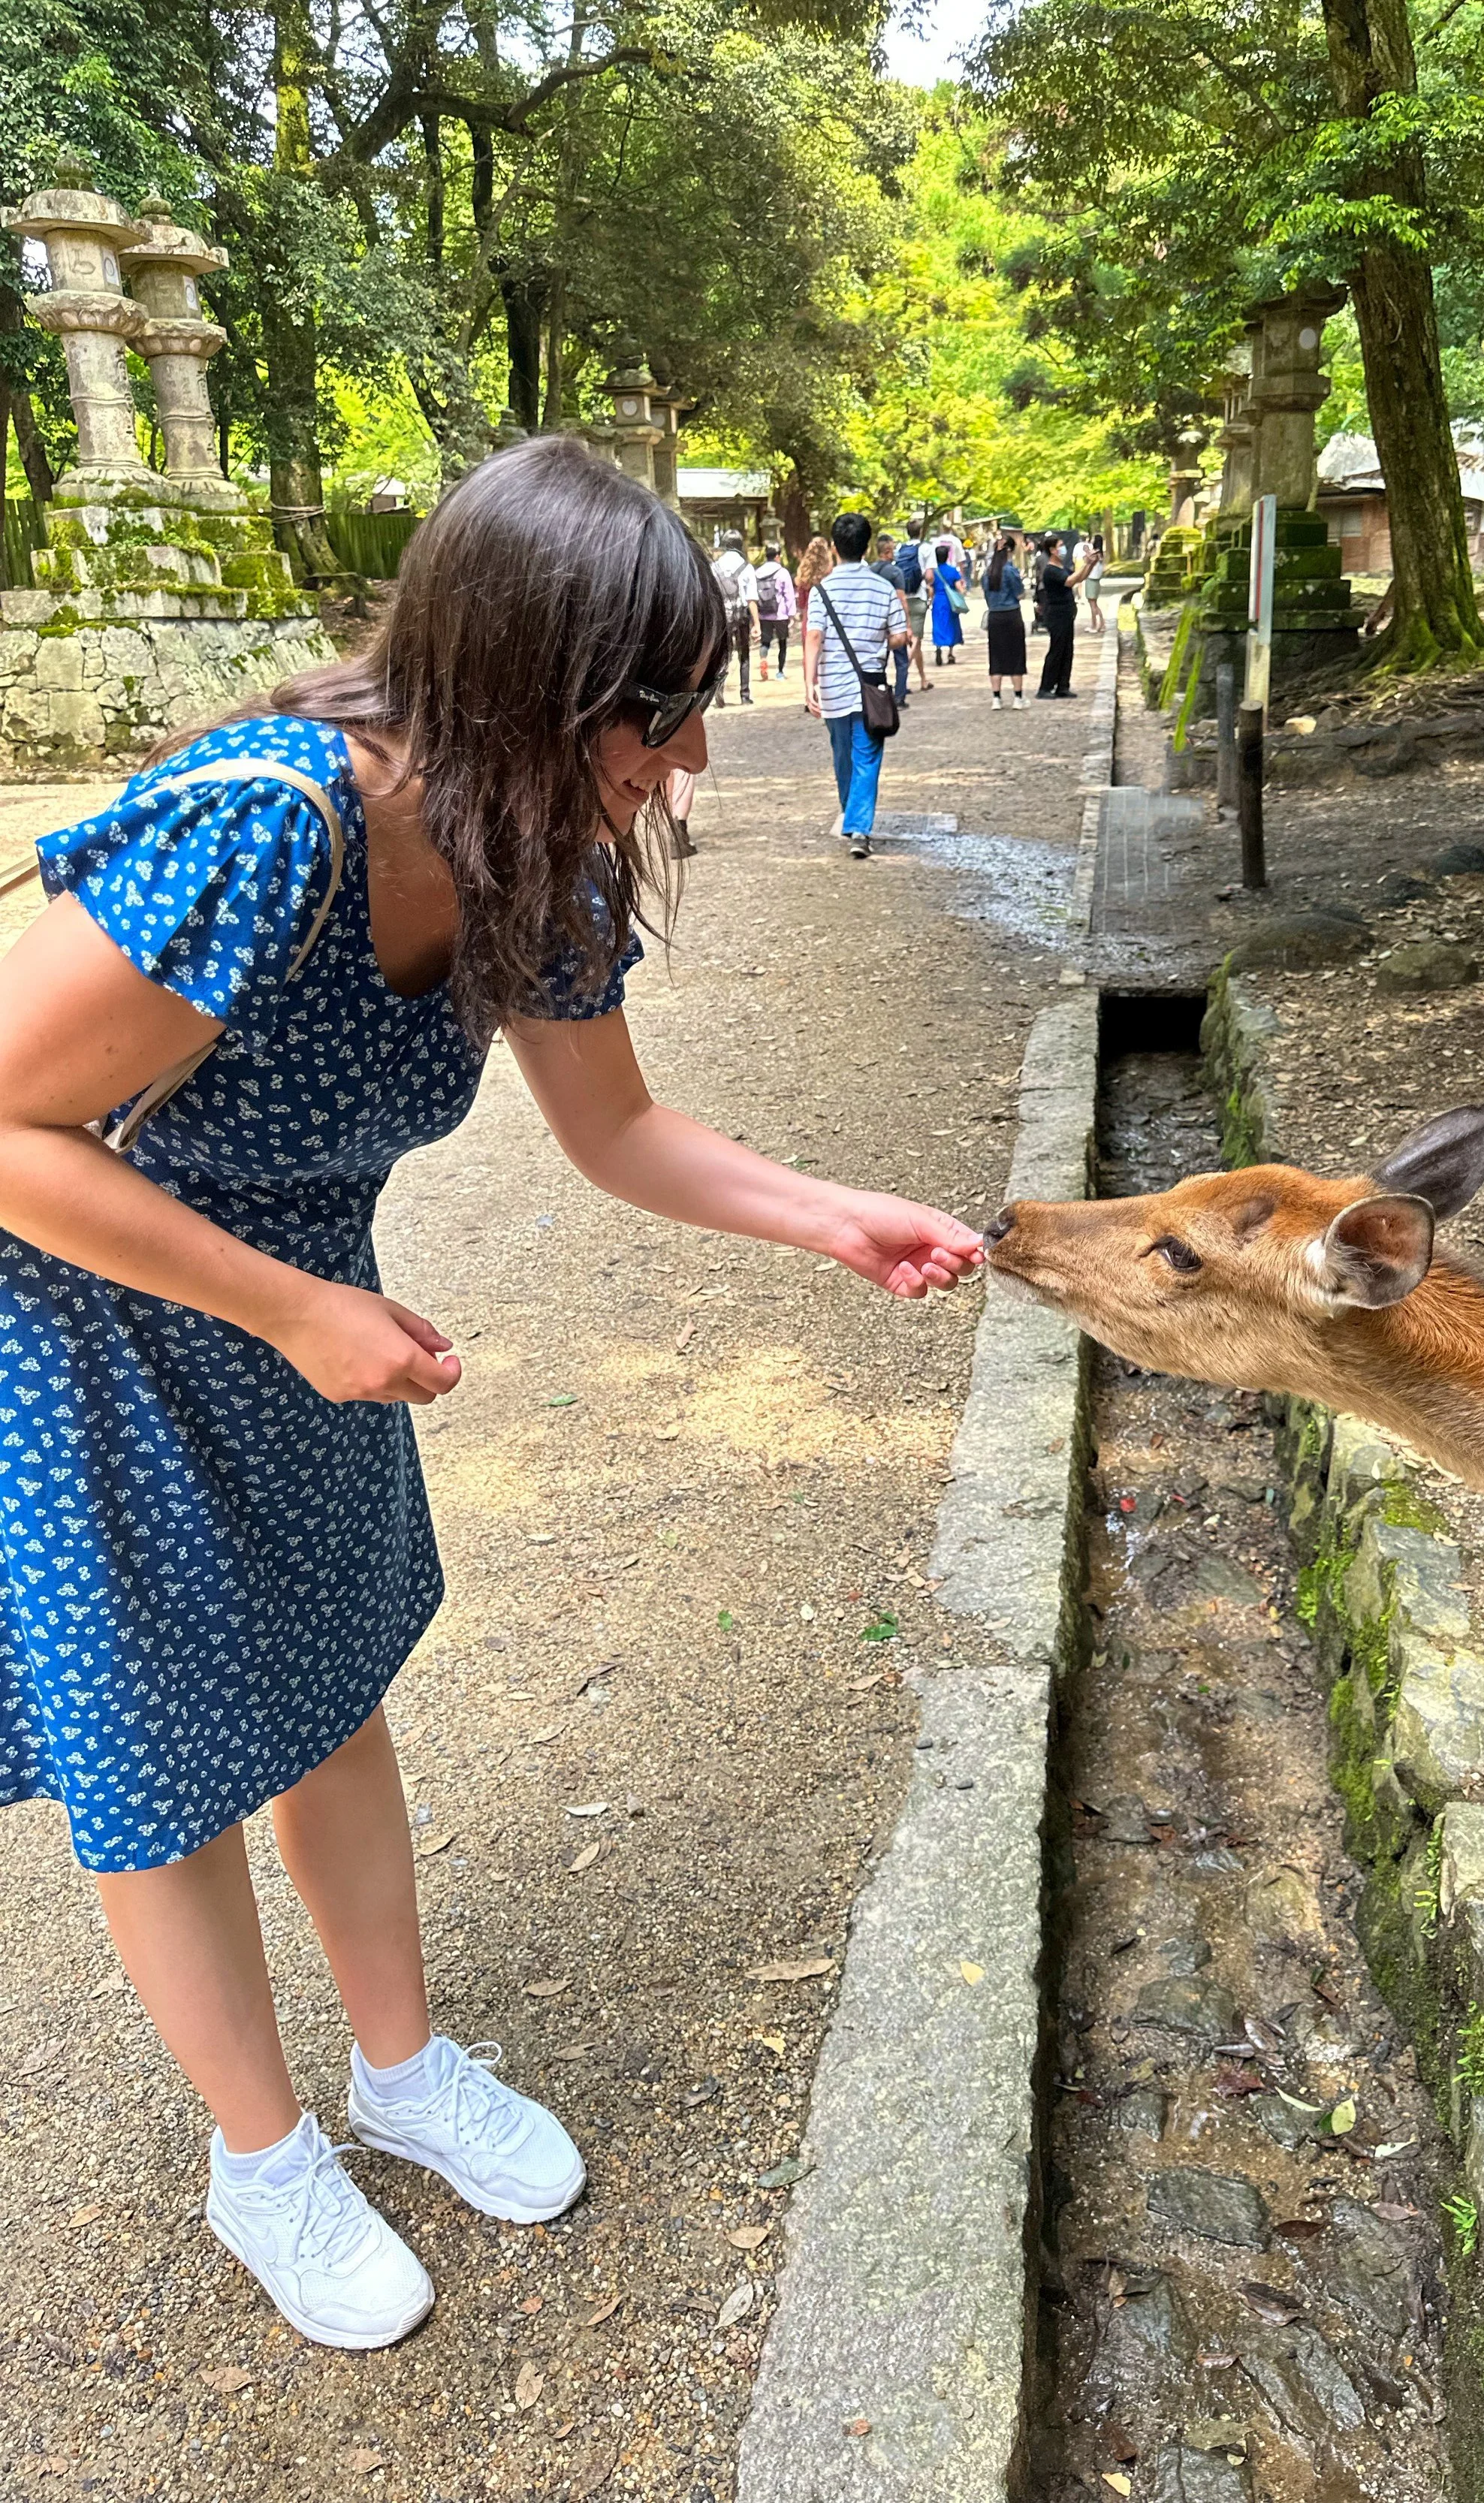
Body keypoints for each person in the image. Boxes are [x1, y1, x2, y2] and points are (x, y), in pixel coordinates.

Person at [0, 438, 979, 2351]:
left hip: (299, 1316)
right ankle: (261, 2157)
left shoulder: (536, 848)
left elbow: (614, 1129)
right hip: (88, 1326)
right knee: (163, 1768)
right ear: (529, 682)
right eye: (662, 712)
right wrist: (289, 1307)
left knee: (324, 1687)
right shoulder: (267, 824)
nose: (688, 759)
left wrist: (829, 1217)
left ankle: (399, 2066)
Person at [804, 510, 906, 861]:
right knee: (867, 756)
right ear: (867, 547)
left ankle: (854, 817)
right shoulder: (884, 588)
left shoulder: (822, 591)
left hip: (833, 687)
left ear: (835, 547)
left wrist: (808, 684)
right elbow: (899, 636)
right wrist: (878, 642)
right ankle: (859, 826)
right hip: (871, 687)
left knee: (842, 754)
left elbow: (814, 636)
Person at [1036, 530, 1093, 698]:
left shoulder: (1062, 568)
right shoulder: (1051, 570)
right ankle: (1046, 687)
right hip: (1057, 613)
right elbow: (1069, 582)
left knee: (1067, 650)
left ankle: (1063, 685)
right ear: (1052, 550)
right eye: (1060, 546)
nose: (1064, 549)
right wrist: (1085, 565)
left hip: (1067, 613)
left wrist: (1090, 564)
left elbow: (1079, 578)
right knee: (1056, 650)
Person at [711, 529, 758, 705]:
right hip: (741, 617)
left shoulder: (714, 567)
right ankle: (745, 695)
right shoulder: (746, 567)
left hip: (722, 619)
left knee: (722, 656)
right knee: (744, 656)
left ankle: (719, 693)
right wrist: (757, 624)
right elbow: (751, 599)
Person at [982, 534, 1028, 709]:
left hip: (995, 616)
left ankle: (996, 698)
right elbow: (1019, 594)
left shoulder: (988, 572)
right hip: (1012, 615)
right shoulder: (1010, 570)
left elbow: (987, 597)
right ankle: (1018, 698)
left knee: (996, 657)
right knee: (1016, 655)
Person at [794, 536, 835, 710]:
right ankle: (824, 692)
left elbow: (802, 605)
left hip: (808, 619)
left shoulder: (803, 574)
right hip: (827, 619)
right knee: (825, 655)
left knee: (808, 657)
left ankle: (808, 694)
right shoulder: (829, 573)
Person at [873, 532, 914, 706]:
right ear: (889, 552)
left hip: (875, 621)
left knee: (878, 660)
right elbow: (901, 599)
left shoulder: (869, 570)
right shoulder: (896, 572)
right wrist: (908, 625)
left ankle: (877, 693)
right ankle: (899, 697)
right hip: (894, 621)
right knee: (901, 660)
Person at [753, 544, 795, 682]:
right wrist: (791, 614)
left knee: (765, 643)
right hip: (780, 614)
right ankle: (780, 672)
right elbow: (789, 594)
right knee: (782, 643)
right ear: (777, 556)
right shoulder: (782, 572)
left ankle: (763, 659)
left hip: (764, 614)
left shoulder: (758, 572)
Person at [897, 537, 934, 692]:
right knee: (915, 640)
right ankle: (902, 678)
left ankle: (923, 679)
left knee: (916, 643)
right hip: (919, 598)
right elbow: (930, 575)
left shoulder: (900, 548)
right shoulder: (926, 548)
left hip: (903, 598)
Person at [929, 540, 966, 668]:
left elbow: (931, 589)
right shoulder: (952, 571)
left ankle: (938, 647)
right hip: (950, 602)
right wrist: (962, 593)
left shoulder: (933, 572)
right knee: (952, 625)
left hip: (938, 601)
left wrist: (930, 601)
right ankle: (950, 653)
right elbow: (959, 587)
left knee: (938, 625)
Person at [1083, 533, 1107, 634]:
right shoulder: (1100, 553)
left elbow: (1086, 559)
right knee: (1094, 604)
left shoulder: (1095, 553)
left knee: (1092, 604)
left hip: (1092, 579)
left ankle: (1095, 625)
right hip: (1096, 580)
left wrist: (1086, 551)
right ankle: (1101, 624)